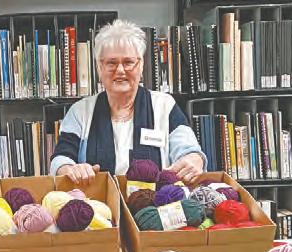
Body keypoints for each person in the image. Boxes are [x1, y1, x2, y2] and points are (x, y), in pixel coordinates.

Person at [50, 19, 206, 186]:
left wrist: (194, 159)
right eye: (111, 63)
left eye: (128, 62)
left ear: (141, 65)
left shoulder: (165, 106)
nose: (120, 70)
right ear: (99, 67)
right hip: (97, 201)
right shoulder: (80, 112)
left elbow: (188, 149)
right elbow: (60, 158)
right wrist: (68, 168)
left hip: (155, 200)